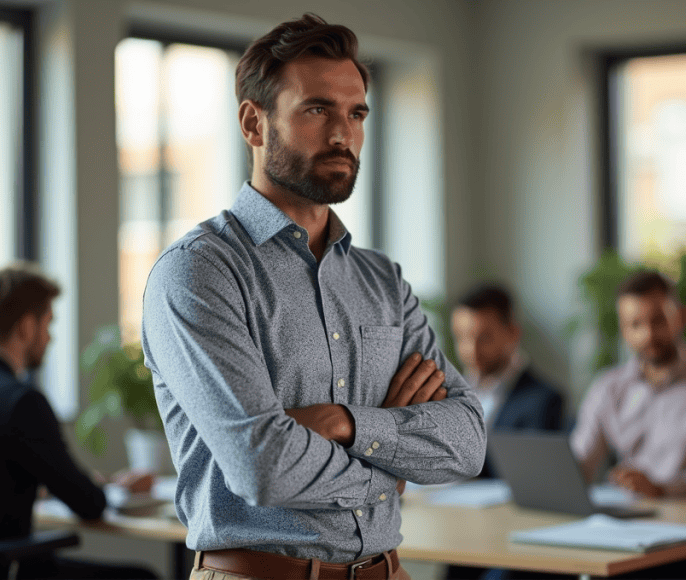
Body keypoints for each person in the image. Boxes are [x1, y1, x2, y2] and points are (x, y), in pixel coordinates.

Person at [140, 13, 486, 580]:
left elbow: (468, 440)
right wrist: (392, 468)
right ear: (254, 124)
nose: (342, 135)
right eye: (316, 109)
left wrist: (346, 424)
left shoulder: (383, 282)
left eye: (356, 114)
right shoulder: (199, 274)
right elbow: (263, 465)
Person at [0, 263, 157, 580]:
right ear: (26, 327)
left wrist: (99, 483)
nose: (50, 337)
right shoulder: (19, 400)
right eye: (48, 324)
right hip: (2, 570)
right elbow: (89, 504)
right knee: (141, 578)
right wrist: (111, 488)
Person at [570, 270, 686, 498]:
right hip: (627, 515)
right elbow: (581, 459)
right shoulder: (608, 387)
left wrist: (661, 488)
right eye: (635, 324)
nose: (648, 334)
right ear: (623, 331)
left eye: (658, 320)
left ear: (680, 317)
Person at [451, 284, 565, 475]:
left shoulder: (544, 400)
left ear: (513, 333)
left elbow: (532, 474)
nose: (471, 350)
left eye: (484, 338)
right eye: (462, 338)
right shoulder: (449, 394)